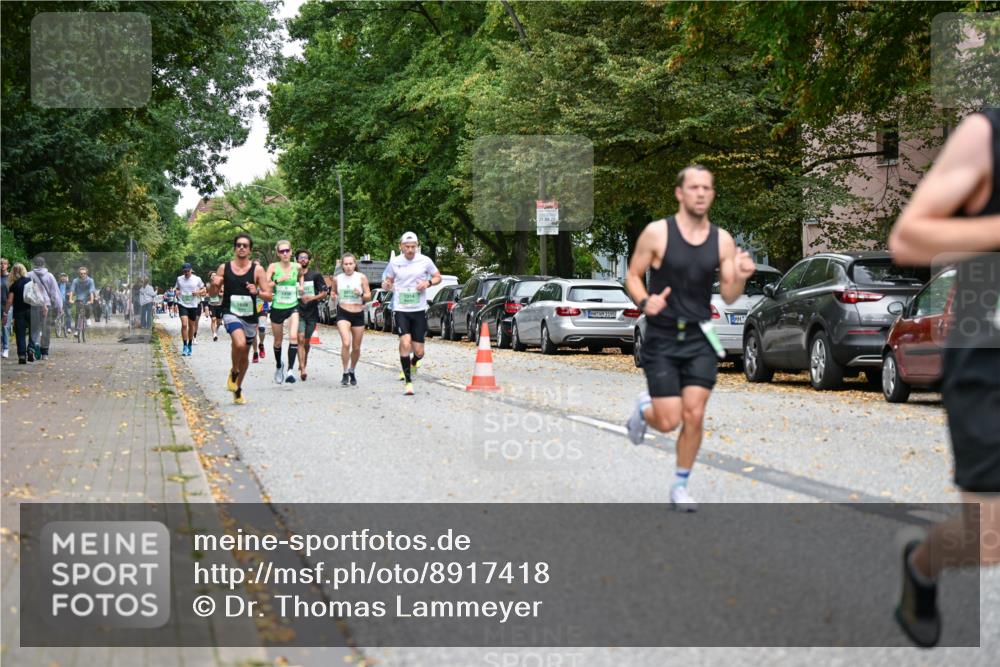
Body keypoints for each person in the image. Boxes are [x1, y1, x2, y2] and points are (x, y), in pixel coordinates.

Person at [887, 108, 1000, 648]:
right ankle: (922, 564)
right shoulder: (986, 135)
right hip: (989, 361)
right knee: (989, 538)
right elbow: (908, 238)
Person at [623, 165, 755, 512]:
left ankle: (680, 485)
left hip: (700, 337)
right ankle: (644, 408)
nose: (701, 193)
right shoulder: (657, 234)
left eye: (707, 188)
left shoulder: (722, 240)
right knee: (668, 420)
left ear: (711, 195)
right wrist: (644, 301)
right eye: (694, 187)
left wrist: (740, 277)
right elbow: (633, 276)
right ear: (680, 194)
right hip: (663, 336)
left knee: (694, 415)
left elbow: (728, 295)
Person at [209, 233, 271, 405]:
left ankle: (238, 388)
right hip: (230, 312)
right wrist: (213, 284)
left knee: (245, 355)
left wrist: (257, 291)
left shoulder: (257, 270)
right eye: (239, 245)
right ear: (235, 248)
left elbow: (269, 296)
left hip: (250, 316)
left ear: (250, 250)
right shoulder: (225, 268)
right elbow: (212, 293)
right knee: (240, 343)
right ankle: (234, 370)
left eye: (245, 245)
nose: (242, 247)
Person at [381, 232, 443, 395]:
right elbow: (387, 281)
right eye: (407, 247)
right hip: (401, 309)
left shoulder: (425, 261)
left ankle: (414, 362)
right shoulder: (395, 262)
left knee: (419, 352)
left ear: (417, 246)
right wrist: (386, 284)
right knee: (405, 342)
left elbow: (438, 277)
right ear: (401, 246)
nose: (410, 250)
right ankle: (408, 382)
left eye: (413, 247)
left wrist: (428, 282)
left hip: (418, 310)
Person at [265, 240, 301, 384]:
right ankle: (279, 365)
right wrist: (278, 280)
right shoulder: (273, 267)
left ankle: (290, 371)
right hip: (278, 307)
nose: (285, 253)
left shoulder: (297, 266)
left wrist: (302, 286)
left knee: (293, 336)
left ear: (291, 252)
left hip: (293, 305)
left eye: (287, 250)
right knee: (278, 341)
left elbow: (304, 275)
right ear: (278, 254)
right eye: (282, 251)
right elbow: (266, 285)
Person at [294, 249, 331, 382]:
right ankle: (303, 368)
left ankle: (304, 360)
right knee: (300, 338)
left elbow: (324, 292)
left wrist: (312, 298)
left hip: (312, 312)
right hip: (297, 311)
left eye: (305, 257)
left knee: (307, 341)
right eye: (300, 257)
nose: (303, 259)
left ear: (309, 260)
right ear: (296, 260)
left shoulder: (315, 275)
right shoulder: (293, 275)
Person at [27, 257, 62, 359]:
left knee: (34, 328)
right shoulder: (49, 276)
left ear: (34, 264)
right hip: (46, 306)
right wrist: (59, 307)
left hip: (33, 305)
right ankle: (44, 352)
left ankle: (31, 349)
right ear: (44, 264)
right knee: (46, 329)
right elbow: (55, 292)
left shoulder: (29, 275)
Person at [174, 263, 206, 356]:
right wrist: (177, 292)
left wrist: (198, 292)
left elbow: (204, 290)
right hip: (182, 304)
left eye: (188, 271)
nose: (186, 273)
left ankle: (190, 344)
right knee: (184, 325)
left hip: (193, 305)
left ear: (191, 270)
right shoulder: (179, 279)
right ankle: (184, 346)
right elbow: (176, 288)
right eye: (184, 271)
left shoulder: (197, 279)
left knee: (191, 326)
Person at [5, 263, 31, 363]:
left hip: (19, 312)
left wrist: (5, 313)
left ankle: (22, 355)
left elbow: (10, 301)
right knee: (34, 332)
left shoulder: (14, 285)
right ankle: (31, 348)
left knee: (20, 334)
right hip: (31, 310)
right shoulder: (30, 281)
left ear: (14, 272)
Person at [68, 266, 96, 343]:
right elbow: (72, 290)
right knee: (78, 313)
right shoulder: (75, 281)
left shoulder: (90, 280)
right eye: (81, 273)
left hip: (87, 298)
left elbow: (91, 291)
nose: (83, 275)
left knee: (89, 308)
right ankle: (77, 330)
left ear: (86, 273)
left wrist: (91, 300)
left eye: (84, 273)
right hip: (79, 298)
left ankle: (87, 318)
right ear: (79, 274)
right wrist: (70, 299)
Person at [207, 272, 224, 341]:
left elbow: (223, 293)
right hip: (211, 305)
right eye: (212, 275)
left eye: (215, 275)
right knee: (213, 319)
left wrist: (219, 293)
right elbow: (206, 294)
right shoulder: (208, 285)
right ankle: (214, 334)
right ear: (210, 277)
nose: (214, 276)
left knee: (219, 322)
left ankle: (215, 331)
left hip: (219, 305)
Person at [1, 257, 9, 358]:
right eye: (0, 264)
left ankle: (6, 348)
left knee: (5, 326)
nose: (2, 266)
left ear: (7, 265)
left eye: (4, 264)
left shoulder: (10, 277)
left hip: (7, 305)